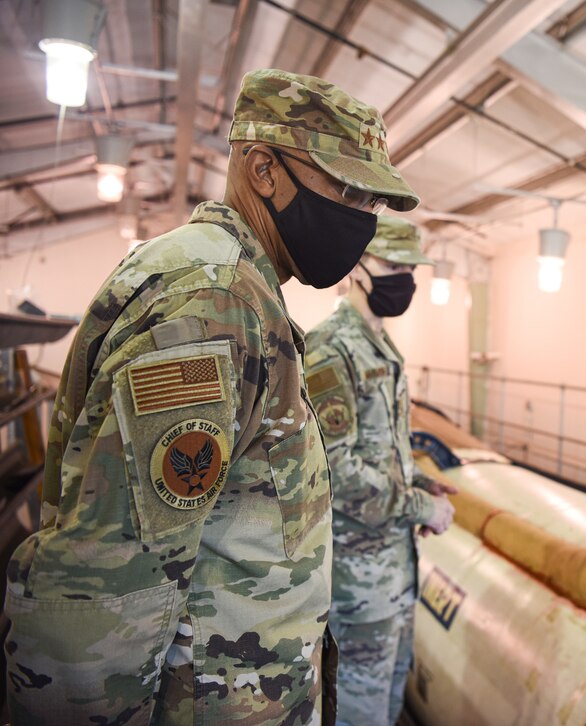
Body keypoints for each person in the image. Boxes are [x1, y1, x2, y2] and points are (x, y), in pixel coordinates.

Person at [3, 68, 419, 724]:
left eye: (373, 203)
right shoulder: (213, 303)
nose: (364, 221)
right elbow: (104, 599)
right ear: (263, 170)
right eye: (349, 192)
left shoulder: (243, 291)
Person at [304, 217, 456, 726]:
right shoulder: (330, 349)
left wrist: (418, 478)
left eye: (410, 268)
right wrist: (423, 506)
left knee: (386, 703)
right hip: (357, 584)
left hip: (394, 573)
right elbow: (340, 472)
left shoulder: (381, 345)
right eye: (394, 266)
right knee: (358, 712)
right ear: (358, 268)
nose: (405, 279)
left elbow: (381, 448)